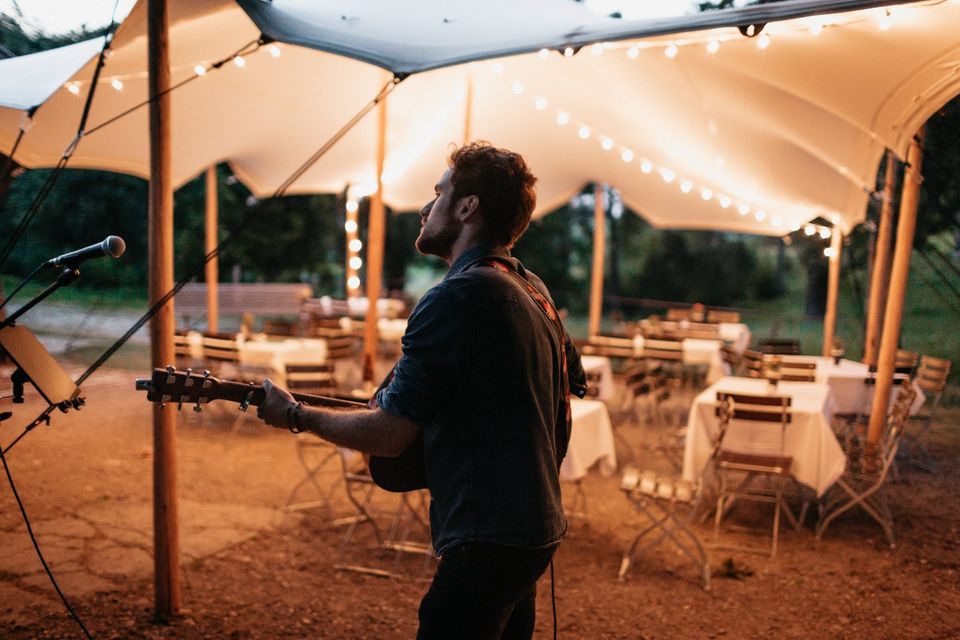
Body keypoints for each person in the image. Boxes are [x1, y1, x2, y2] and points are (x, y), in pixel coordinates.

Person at [258, 141, 586, 639]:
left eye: (438, 194)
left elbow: (390, 435)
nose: (424, 208)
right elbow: (559, 386)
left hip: (487, 536)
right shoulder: (532, 287)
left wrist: (295, 415)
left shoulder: (456, 296)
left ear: (467, 207)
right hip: (538, 529)